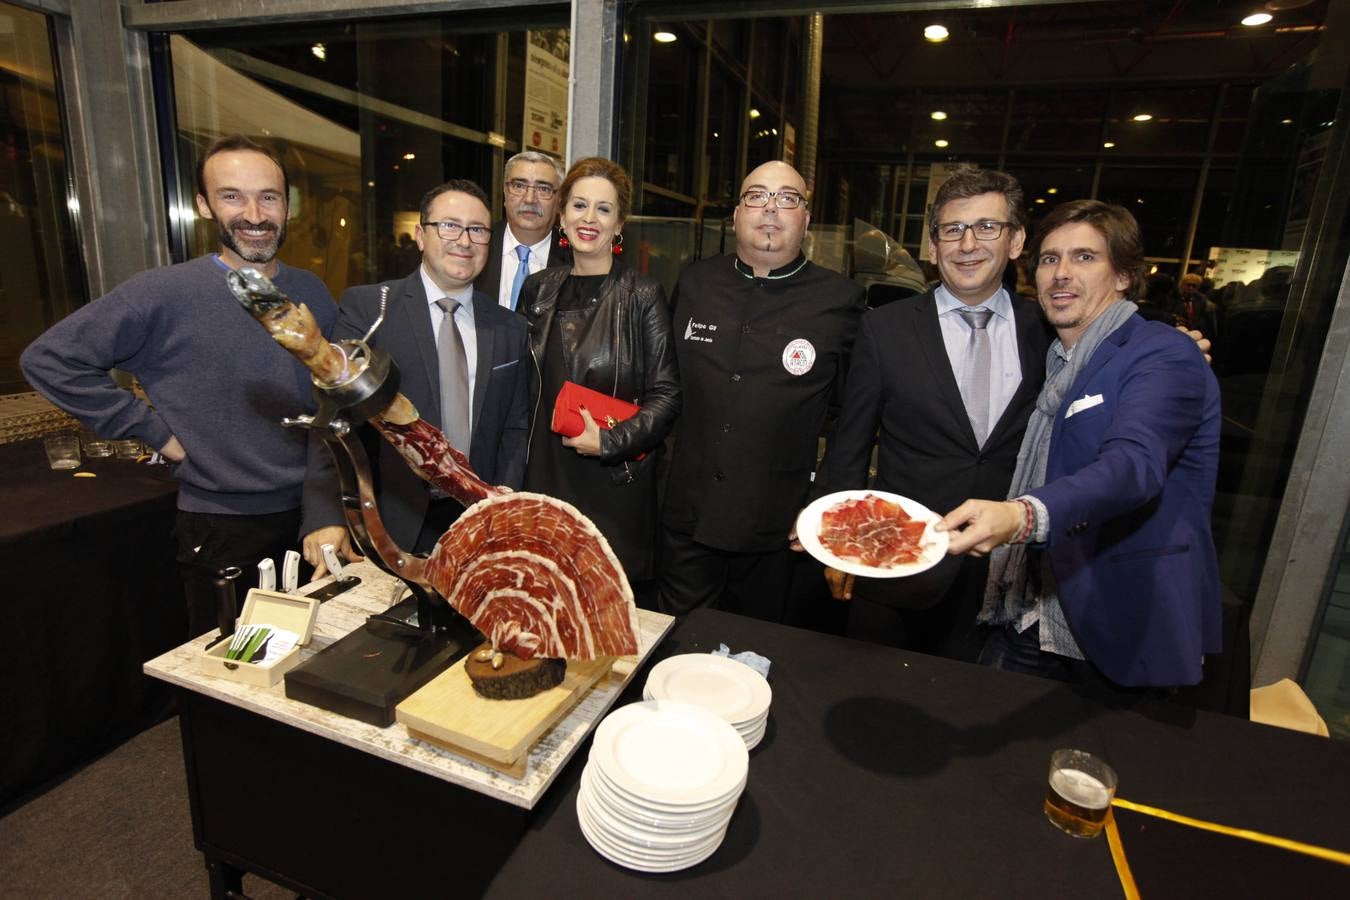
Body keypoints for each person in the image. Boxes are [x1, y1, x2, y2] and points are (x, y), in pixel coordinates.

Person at [21, 133, 337, 637]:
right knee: (230, 670)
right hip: (222, 526)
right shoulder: (162, 293)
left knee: (314, 661)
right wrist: (157, 434)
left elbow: (330, 405)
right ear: (204, 205)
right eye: (232, 196)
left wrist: (327, 509)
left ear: (287, 206)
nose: (254, 214)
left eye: (268, 197)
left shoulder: (311, 290)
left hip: (310, 518)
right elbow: (50, 360)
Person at [941, 199, 1222, 690]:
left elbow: (1134, 465)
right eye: (1050, 259)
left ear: (1124, 276)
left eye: (1085, 257)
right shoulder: (1056, 358)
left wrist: (1022, 516)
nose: (1061, 274)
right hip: (1030, 611)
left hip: (1118, 619)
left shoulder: (1162, 353)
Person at [811, 167, 1049, 660]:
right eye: (952, 229)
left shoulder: (1047, 329)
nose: (968, 244)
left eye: (987, 227)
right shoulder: (885, 329)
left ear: (1016, 241)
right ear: (934, 246)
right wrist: (838, 546)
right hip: (899, 565)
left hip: (1006, 574)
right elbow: (851, 443)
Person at [657, 161, 867, 620]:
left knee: (758, 652)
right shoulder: (695, 283)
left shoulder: (841, 301)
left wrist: (825, 506)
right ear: (736, 216)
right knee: (675, 642)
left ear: (806, 220)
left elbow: (851, 419)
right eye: (756, 196)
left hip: (778, 527)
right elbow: (662, 387)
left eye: (787, 198)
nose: (770, 208)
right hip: (686, 514)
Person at [302, 179, 529, 565]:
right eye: (449, 226)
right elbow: (335, 415)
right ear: (421, 236)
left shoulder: (510, 327)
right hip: (392, 523)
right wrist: (326, 513)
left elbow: (515, 428)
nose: (464, 241)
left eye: (477, 230)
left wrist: (502, 504)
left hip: (479, 524)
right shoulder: (370, 309)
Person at [520, 158, 680, 603]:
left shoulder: (642, 295)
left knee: (603, 614)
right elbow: (520, 385)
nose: (589, 218)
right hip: (544, 475)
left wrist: (609, 441)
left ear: (619, 224)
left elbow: (667, 396)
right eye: (579, 205)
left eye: (603, 209)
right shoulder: (538, 289)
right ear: (562, 216)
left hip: (612, 481)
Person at [475, 151, 572, 312]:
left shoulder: (575, 261)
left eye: (543, 189)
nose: (530, 199)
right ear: (505, 193)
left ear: (559, 201)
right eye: (519, 186)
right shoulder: (476, 244)